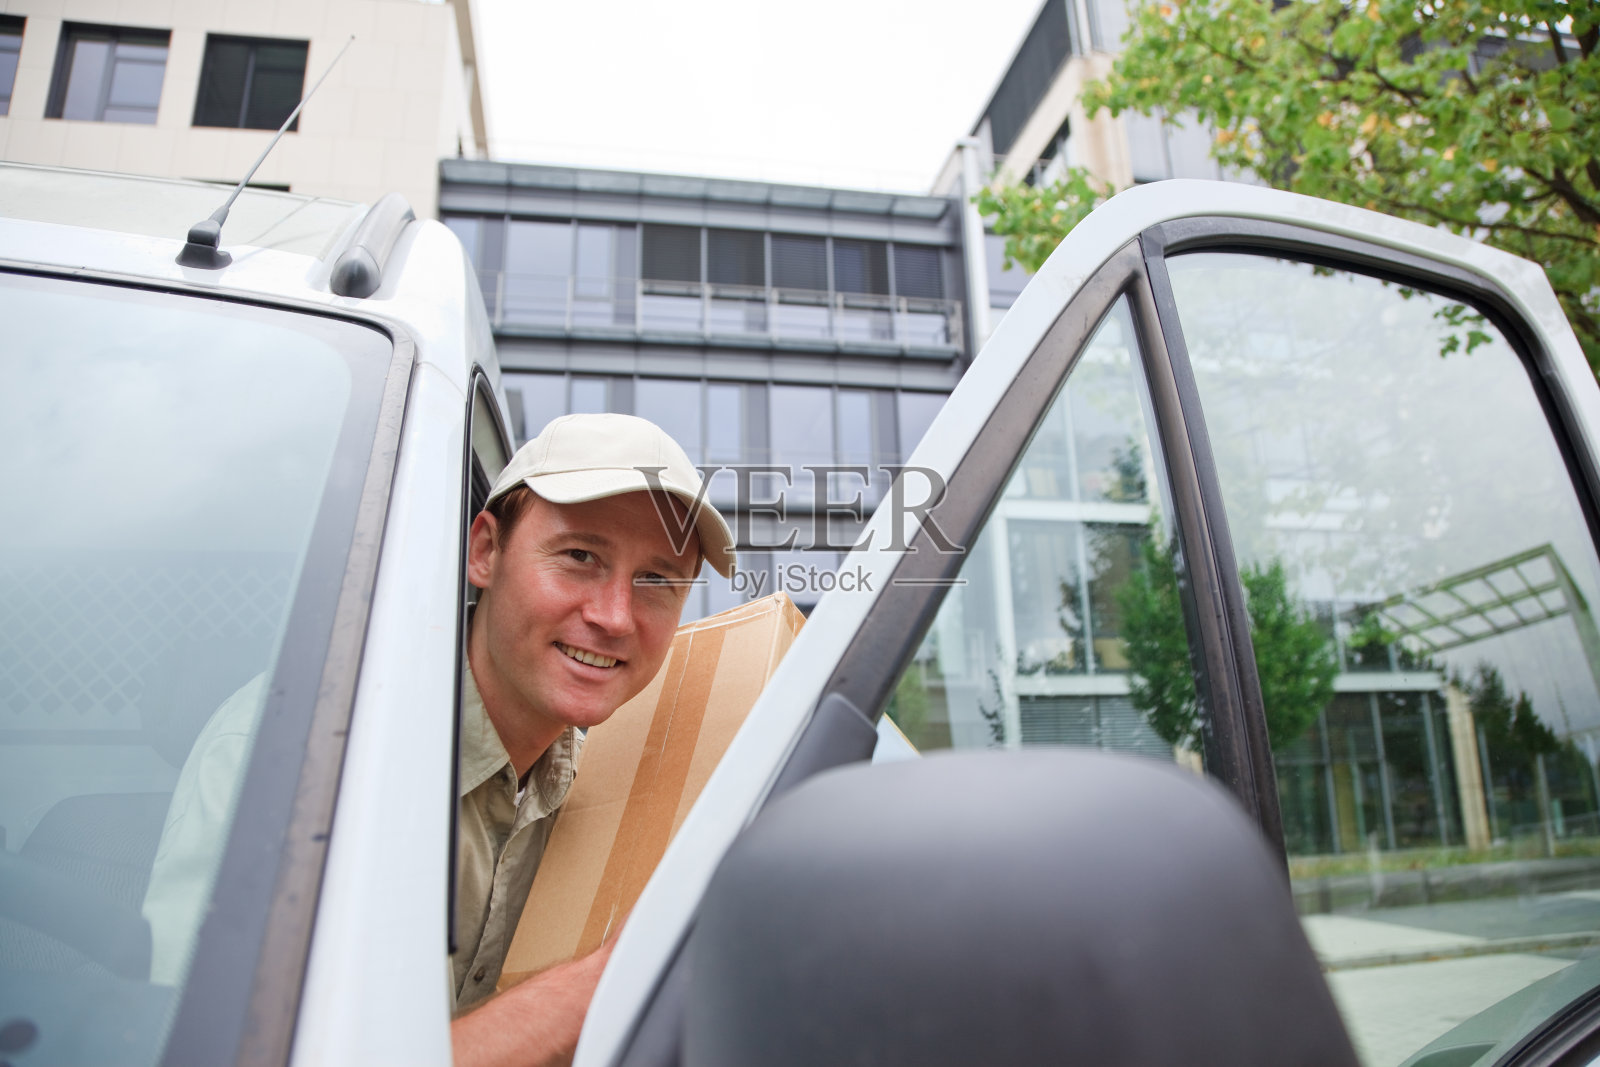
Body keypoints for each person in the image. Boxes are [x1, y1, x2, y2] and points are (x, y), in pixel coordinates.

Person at [450, 412, 735, 1067]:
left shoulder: (600, 785)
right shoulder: (324, 757)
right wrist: (618, 977)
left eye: (657, 580)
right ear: (486, 550)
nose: (612, 615)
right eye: (580, 556)